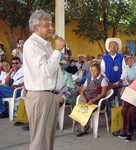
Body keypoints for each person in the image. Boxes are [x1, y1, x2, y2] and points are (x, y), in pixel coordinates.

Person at [23, 10, 66, 150]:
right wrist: (58, 51)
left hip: (48, 96)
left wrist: (56, 94)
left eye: (51, 24)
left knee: (46, 141)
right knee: (40, 142)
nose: (51, 28)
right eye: (47, 25)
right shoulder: (32, 45)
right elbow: (46, 71)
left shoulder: (44, 44)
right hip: (41, 97)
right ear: (36, 27)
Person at [76, 62, 108, 136]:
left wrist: (93, 100)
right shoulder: (89, 78)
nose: (93, 72)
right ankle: (83, 127)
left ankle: (83, 128)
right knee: (81, 105)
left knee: (85, 107)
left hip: (97, 101)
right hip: (87, 98)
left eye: (95, 70)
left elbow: (103, 94)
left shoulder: (103, 80)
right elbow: (82, 90)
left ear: (99, 71)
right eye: (91, 70)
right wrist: (84, 98)